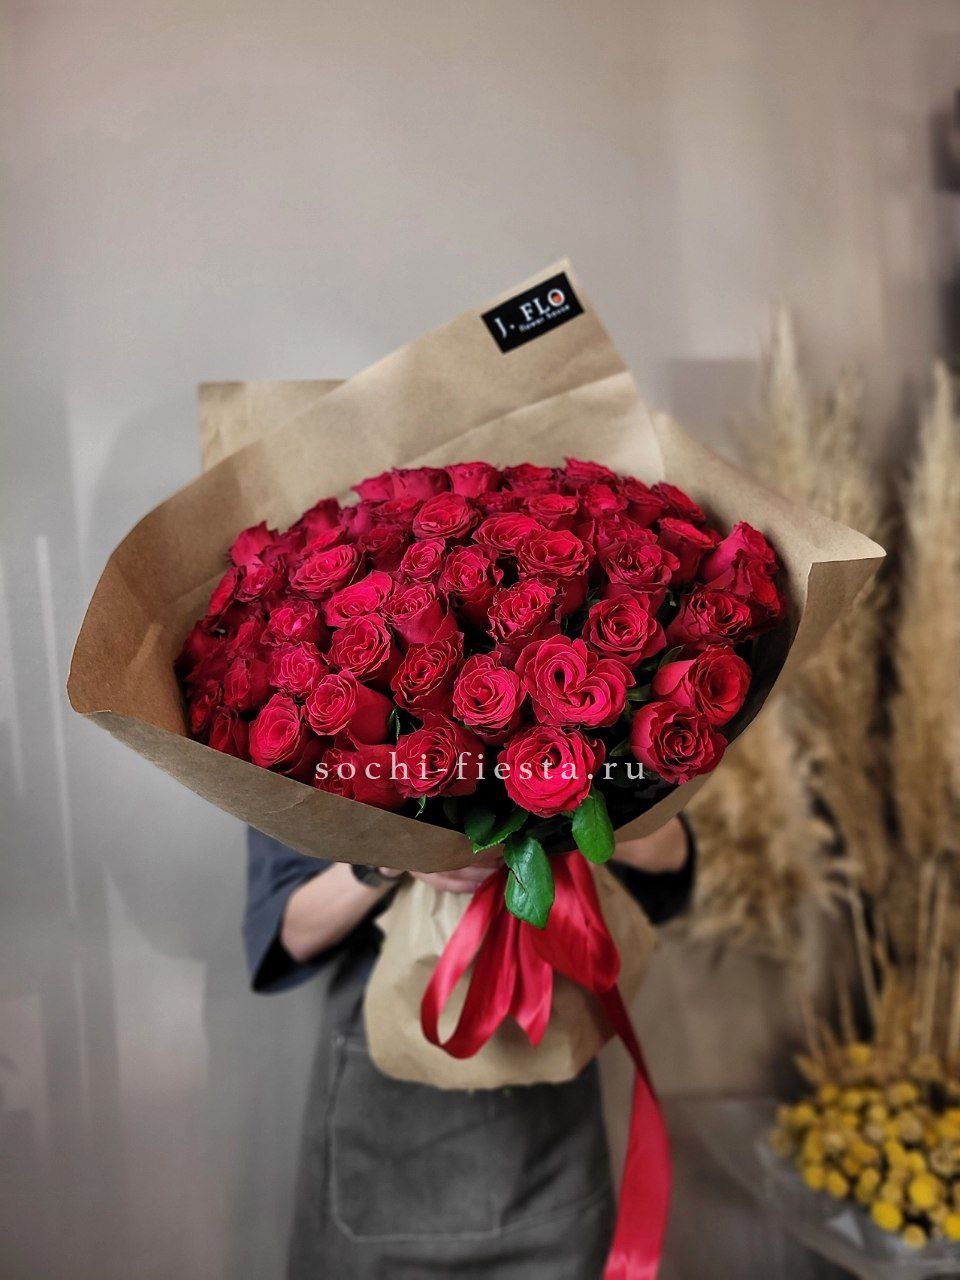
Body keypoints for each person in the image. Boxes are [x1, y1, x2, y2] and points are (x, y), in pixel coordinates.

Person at [243, 818, 696, 1280]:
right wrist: (389, 856)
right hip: (384, 1126)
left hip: (552, 1155)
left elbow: (674, 853)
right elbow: (290, 931)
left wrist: (564, 817)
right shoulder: (307, 774)